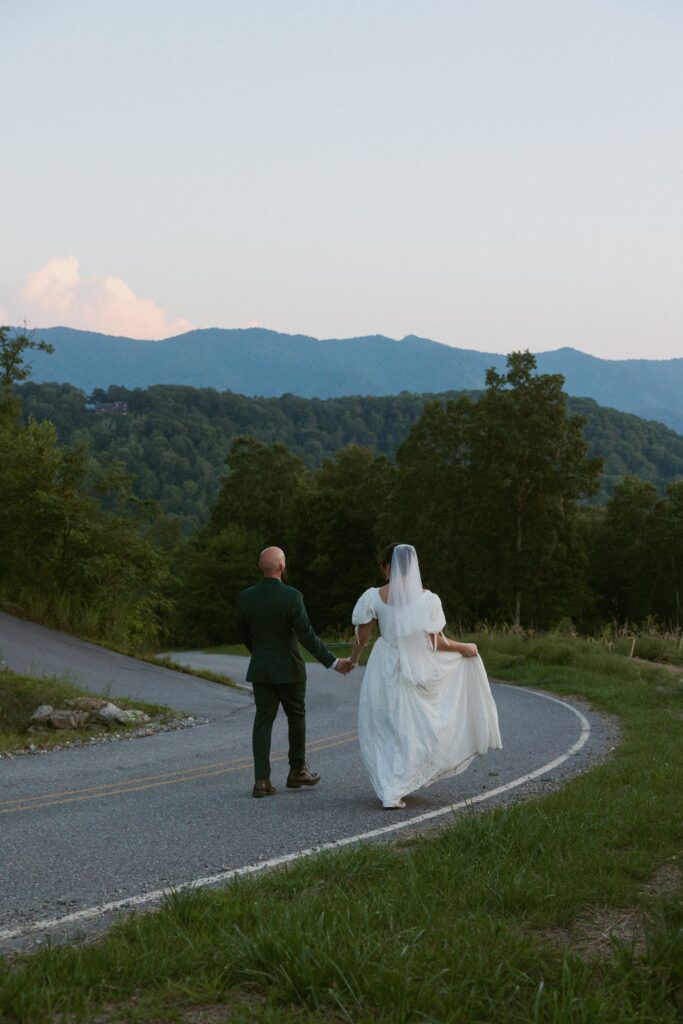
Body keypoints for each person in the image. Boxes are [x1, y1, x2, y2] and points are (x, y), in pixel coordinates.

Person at [349, 543, 502, 808]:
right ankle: (395, 786)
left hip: (384, 663)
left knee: (386, 725)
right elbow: (435, 643)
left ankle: (390, 786)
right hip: (416, 664)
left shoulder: (373, 597)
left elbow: (362, 638)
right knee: (412, 726)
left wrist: (352, 660)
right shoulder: (428, 599)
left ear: (387, 567)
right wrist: (464, 647)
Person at [236, 546, 352, 798]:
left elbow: (245, 635)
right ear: (281, 567)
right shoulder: (292, 597)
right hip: (290, 670)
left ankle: (261, 781)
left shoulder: (245, 598)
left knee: (263, 721)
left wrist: (261, 654)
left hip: (261, 670)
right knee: (296, 717)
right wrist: (333, 662)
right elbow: (307, 636)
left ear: (261, 568)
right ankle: (297, 770)